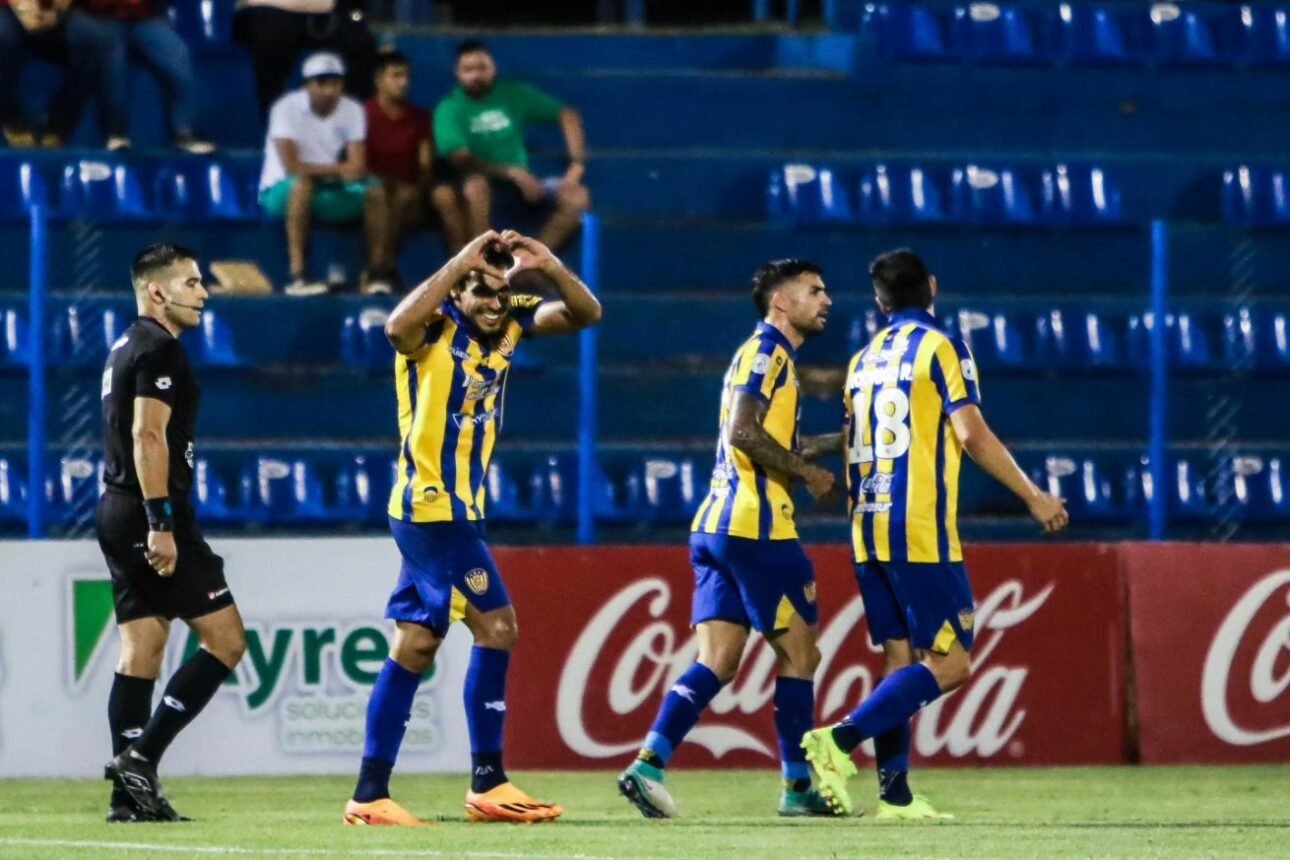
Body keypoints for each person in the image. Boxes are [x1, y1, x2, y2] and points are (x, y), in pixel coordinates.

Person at [342, 228, 601, 826]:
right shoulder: (431, 331)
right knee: (498, 627)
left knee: (415, 644)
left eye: (500, 292)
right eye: (480, 291)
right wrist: (461, 259)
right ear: (456, 292)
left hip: (457, 511)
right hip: (432, 509)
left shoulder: (510, 320)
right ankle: (489, 782)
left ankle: (370, 795)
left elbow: (587, 314)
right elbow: (394, 327)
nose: (493, 302)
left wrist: (548, 264)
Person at [800, 248, 1069, 819]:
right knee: (952, 663)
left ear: (880, 303)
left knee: (900, 661)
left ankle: (895, 795)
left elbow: (851, 443)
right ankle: (839, 740)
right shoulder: (943, 348)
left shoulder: (862, 361)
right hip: (918, 524)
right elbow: (971, 433)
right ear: (933, 287)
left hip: (866, 522)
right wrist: (1034, 496)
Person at [618, 260, 842, 820]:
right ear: (780, 302)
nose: (827, 300)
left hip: (716, 526)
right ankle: (797, 788)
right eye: (814, 291)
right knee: (801, 655)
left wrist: (840, 440)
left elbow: (769, 441)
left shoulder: (761, 357)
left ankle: (647, 765)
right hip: (757, 528)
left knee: (717, 661)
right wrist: (808, 474)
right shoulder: (768, 353)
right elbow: (743, 432)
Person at [98, 244, 247, 822]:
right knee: (227, 641)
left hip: (117, 508)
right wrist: (161, 522)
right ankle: (141, 757)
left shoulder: (126, 344)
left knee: (142, 649)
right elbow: (147, 436)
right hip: (150, 513)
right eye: (191, 282)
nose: (203, 292)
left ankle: (127, 800)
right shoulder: (159, 348)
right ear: (157, 292)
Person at [433, 40, 590, 254]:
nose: (476, 75)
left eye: (482, 68)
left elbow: (567, 114)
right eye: (468, 70)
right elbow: (461, 158)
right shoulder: (449, 108)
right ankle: (485, 261)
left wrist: (576, 166)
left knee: (577, 198)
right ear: (457, 73)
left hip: (521, 186)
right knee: (475, 186)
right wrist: (512, 172)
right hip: (484, 182)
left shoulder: (512, 93)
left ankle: (529, 262)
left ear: (493, 68)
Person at [259, 52, 393, 296]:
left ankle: (377, 274)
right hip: (280, 190)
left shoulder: (352, 108)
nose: (329, 90)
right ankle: (298, 275)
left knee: (374, 189)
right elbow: (292, 167)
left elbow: (357, 164)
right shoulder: (285, 108)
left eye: (335, 83)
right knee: (302, 185)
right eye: (321, 83)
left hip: (329, 188)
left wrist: (344, 171)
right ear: (307, 85)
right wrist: (341, 170)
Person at [364, 50, 467, 291]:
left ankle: (464, 271)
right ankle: (380, 270)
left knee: (436, 195)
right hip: (372, 190)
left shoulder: (419, 118)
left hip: (411, 192)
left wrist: (419, 191)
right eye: (396, 76)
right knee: (382, 195)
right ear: (379, 79)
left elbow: (425, 165)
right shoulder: (362, 114)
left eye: (407, 76)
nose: (403, 82)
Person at [54, 0, 213, 152]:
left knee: (178, 56)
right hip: (97, 19)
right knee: (112, 53)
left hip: (143, 19)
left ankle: (184, 132)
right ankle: (115, 133)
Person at [234, 0, 377, 120]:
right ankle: (276, 123)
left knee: (360, 43)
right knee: (272, 36)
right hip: (269, 9)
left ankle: (355, 122)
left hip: (331, 10)